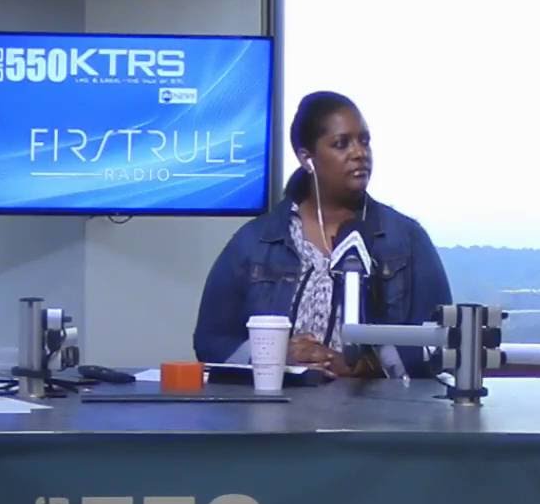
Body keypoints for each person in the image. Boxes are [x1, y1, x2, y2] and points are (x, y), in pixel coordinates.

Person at [193, 91, 451, 378]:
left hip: (376, 405)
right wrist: (277, 353)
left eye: (364, 141)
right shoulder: (256, 242)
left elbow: (439, 342)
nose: (359, 153)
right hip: (276, 403)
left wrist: (364, 366)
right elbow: (211, 342)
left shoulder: (406, 239)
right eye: (342, 143)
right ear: (307, 158)